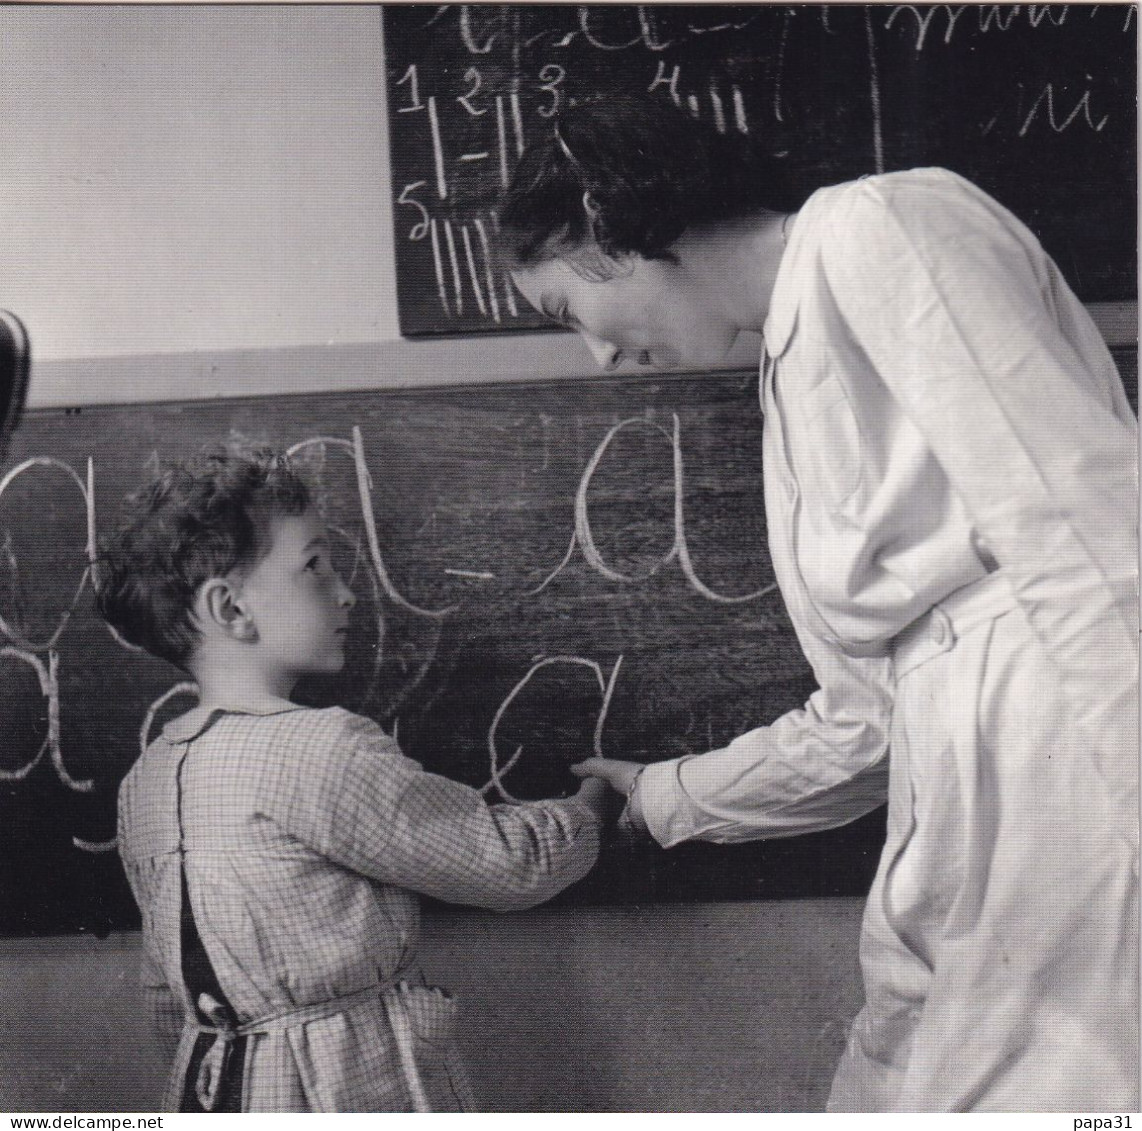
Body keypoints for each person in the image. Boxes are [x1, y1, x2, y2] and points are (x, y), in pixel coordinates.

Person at [496, 95, 1139, 1112]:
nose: (598, 355)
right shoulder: (786, 378)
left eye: (564, 312)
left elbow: (1084, 530)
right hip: (961, 795)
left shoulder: (874, 225)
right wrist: (667, 793)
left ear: (605, 229)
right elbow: (866, 719)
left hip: (1069, 748)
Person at [95, 446, 606, 1112]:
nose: (346, 590)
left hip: (211, 1085)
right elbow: (509, 862)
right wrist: (593, 810)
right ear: (231, 609)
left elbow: (165, 994)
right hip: (346, 1084)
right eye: (313, 565)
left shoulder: (146, 779)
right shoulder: (320, 747)